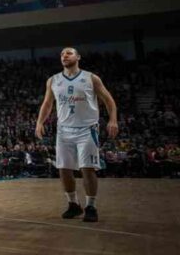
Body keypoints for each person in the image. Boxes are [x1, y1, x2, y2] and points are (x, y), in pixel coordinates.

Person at [35, 47, 118, 223]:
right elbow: (47, 103)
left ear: (78, 57)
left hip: (87, 129)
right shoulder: (53, 80)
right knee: (63, 169)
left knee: (87, 168)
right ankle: (73, 204)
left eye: (69, 53)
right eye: (62, 54)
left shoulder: (91, 78)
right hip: (64, 130)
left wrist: (113, 120)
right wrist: (39, 122)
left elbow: (109, 100)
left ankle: (91, 206)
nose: (64, 56)